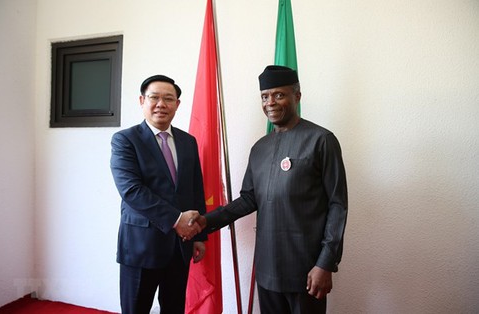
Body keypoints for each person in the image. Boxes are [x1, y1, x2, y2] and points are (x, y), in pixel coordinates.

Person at [195, 65, 348, 313]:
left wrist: (326, 263)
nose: (270, 103)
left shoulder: (321, 140)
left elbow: (337, 205)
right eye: (265, 96)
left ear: (297, 96)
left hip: (307, 270)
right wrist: (206, 220)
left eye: (279, 94)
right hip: (267, 270)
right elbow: (248, 200)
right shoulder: (259, 148)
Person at [110, 74, 206, 314]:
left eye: (168, 99)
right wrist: (177, 220)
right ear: (142, 100)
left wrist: (200, 235)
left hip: (180, 246)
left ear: (177, 104)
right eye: (154, 97)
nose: (161, 104)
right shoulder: (125, 140)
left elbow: (195, 188)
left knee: (174, 308)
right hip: (141, 246)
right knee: (136, 309)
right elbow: (132, 191)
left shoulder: (188, 141)